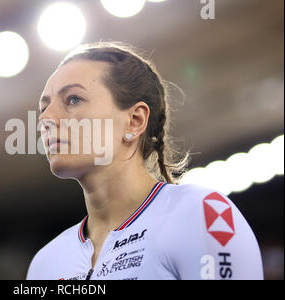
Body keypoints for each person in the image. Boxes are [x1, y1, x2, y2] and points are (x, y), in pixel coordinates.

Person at [26, 41, 263, 280]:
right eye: (44, 107)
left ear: (135, 121)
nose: (47, 118)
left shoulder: (199, 214)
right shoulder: (45, 264)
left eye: (73, 99)